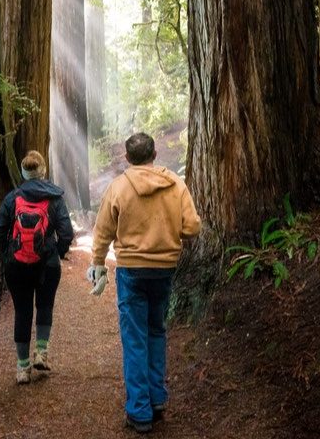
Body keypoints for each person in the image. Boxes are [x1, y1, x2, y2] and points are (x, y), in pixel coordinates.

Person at [88, 132, 201, 433]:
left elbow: (102, 232)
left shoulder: (119, 187)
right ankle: (157, 399)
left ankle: (139, 411)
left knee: (135, 338)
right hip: (164, 270)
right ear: (154, 155)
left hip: (132, 272)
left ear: (128, 158)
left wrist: (98, 263)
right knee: (157, 331)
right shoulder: (175, 185)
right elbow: (192, 226)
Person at [0, 150, 74, 384]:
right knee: (45, 306)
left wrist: (9, 254)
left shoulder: (12, 198)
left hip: (17, 266)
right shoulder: (55, 198)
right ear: (43, 171)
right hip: (47, 264)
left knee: (23, 311)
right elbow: (66, 234)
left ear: (24, 173)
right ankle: (42, 353)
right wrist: (56, 252)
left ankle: (22, 368)